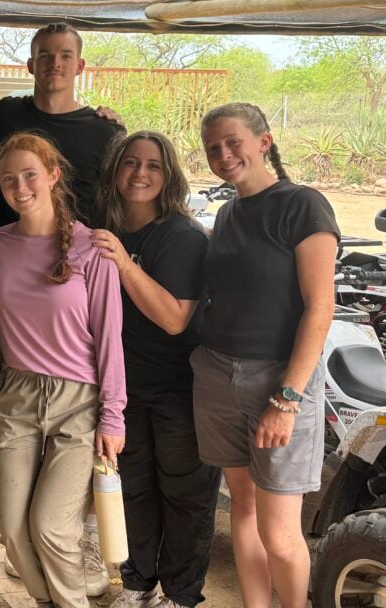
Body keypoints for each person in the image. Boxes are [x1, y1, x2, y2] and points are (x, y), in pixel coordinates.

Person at [192, 103, 337, 608]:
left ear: (264, 142)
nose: (224, 155)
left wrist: (288, 397)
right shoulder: (227, 213)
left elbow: (320, 306)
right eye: (213, 148)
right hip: (219, 375)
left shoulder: (302, 205)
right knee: (244, 509)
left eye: (233, 142)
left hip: (279, 382)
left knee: (279, 532)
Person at [0, 132, 125, 608]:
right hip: (16, 394)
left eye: (29, 175)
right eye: (9, 179)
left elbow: (109, 337)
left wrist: (113, 415)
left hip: (78, 399)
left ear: (53, 175)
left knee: (51, 526)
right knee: (11, 527)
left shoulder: (91, 248)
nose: (20, 187)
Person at [92, 132, 221, 608]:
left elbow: (174, 318)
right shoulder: (103, 226)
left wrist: (125, 265)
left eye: (153, 165)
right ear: (115, 170)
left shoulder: (181, 236)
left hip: (180, 389)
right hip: (123, 389)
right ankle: (138, 584)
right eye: (130, 162)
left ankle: (181, 595)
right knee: (133, 491)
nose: (140, 174)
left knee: (185, 495)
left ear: (169, 176)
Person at [0, 23, 123, 228]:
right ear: (30, 65)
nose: (55, 63)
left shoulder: (104, 130)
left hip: (77, 246)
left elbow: (123, 194)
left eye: (65, 56)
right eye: (45, 55)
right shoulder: (6, 114)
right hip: (6, 244)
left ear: (79, 66)